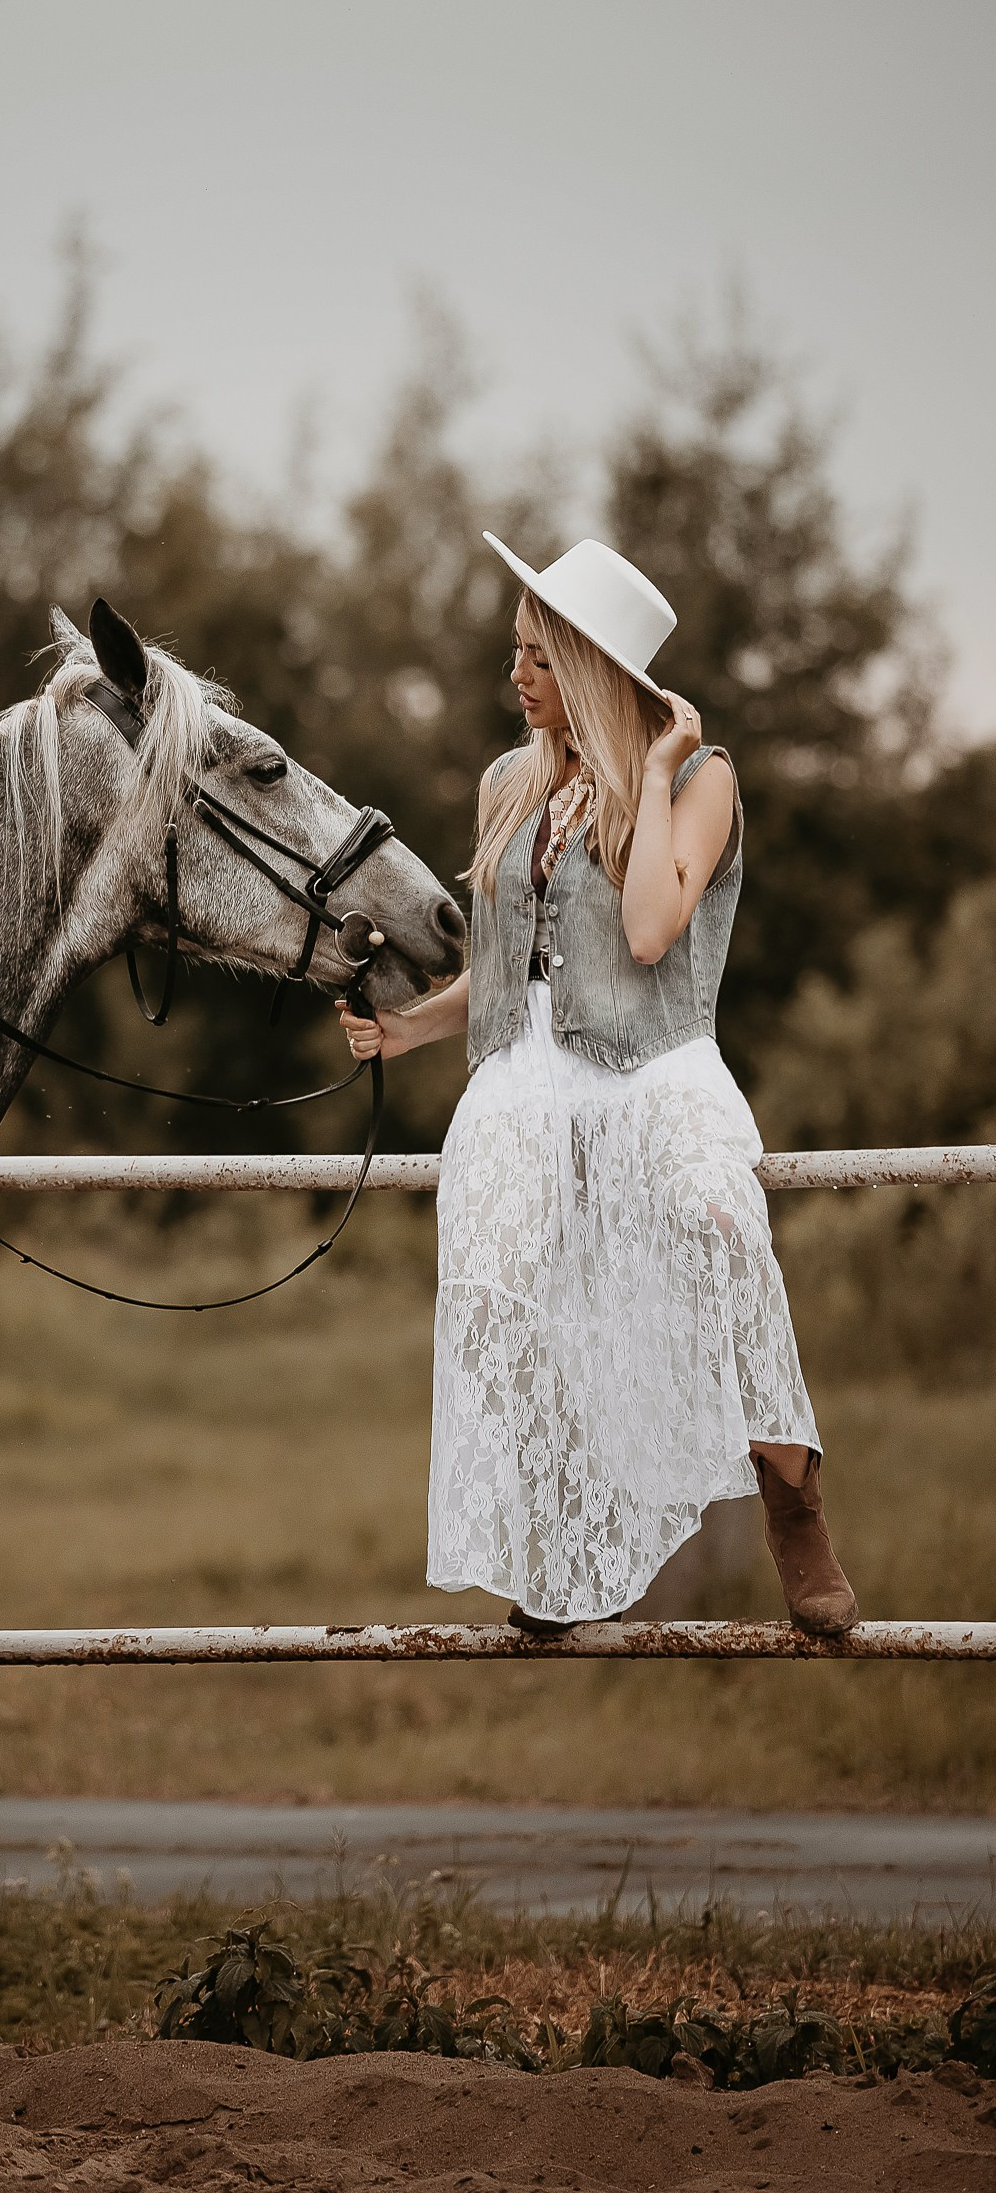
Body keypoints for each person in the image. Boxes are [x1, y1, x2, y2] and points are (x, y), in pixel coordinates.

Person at [339, 534, 857, 1635]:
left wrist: (657, 771)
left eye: (537, 657)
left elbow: (649, 927)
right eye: (515, 654)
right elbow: (508, 962)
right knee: (499, 1274)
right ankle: (559, 1542)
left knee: (715, 1214)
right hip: (524, 1075)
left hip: (656, 1063)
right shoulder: (505, 783)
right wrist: (403, 1033)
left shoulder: (703, 783)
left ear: (592, 668)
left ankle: (789, 1491)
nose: (515, 677)